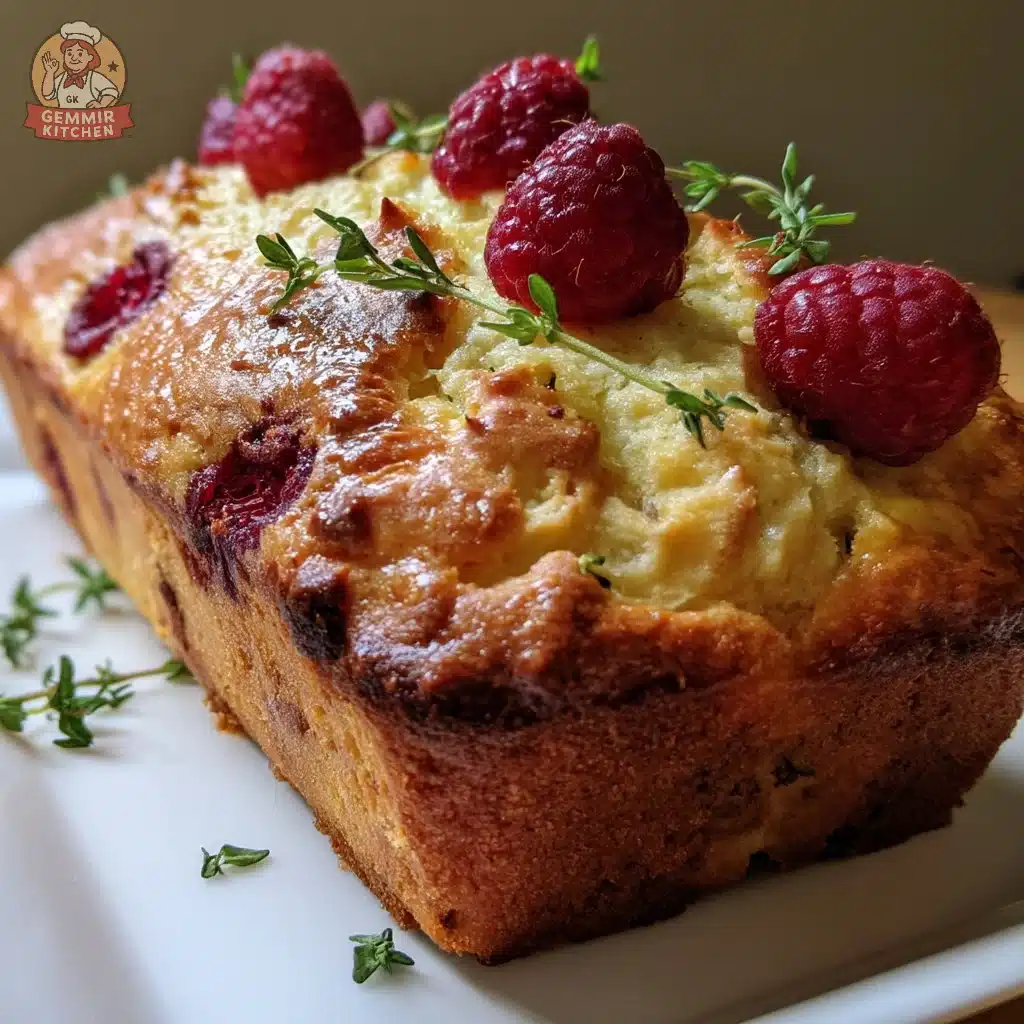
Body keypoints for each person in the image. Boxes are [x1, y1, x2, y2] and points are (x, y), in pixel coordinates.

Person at [40, 22, 119, 109]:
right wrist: (50, 73)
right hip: (64, 121)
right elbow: (47, 95)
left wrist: (101, 104)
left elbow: (111, 92)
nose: (74, 58)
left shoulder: (93, 78)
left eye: (80, 54)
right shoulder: (62, 78)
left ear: (90, 57)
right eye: (69, 53)